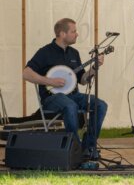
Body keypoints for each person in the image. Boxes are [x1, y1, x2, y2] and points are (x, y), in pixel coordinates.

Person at [23, 18, 108, 160]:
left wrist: (94, 68)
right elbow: (26, 73)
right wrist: (49, 81)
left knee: (100, 105)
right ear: (62, 33)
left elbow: (82, 80)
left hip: (74, 95)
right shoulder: (45, 52)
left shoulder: (74, 53)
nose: (77, 34)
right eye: (73, 31)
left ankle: (88, 147)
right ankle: (73, 149)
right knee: (70, 105)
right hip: (51, 98)